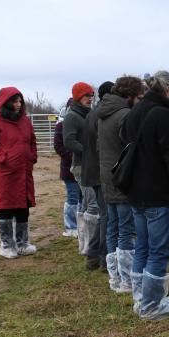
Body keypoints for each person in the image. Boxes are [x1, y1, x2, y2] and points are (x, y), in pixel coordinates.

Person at [122, 71, 169, 320]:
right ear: (168, 90)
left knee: (143, 247)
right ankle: (151, 306)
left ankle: (143, 298)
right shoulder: (162, 115)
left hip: (136, 193)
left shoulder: (134, 112)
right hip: (158, 194)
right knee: (159, 250)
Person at [98, 75, 145, 293]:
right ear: (130, 96)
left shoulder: (103, 114)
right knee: (126, 230)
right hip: (123, 177)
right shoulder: (125, 115)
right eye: (139, 97)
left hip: (107, 176)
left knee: (112, 227)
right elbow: (132, 147)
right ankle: (126, 280)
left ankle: (114, 278)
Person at [0, 87, 38, 259]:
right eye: (15, 101)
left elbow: (32, 141)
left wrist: (32, 156)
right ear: (6, 102)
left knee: (23, 207)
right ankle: (6, 245)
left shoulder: (25, 121)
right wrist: (3, 158)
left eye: (20, 101)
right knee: (6, 207)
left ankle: (22, 243)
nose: (18, 104)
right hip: (5, 173)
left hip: (24, 170)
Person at [63, 82, 102, 269]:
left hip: (89, 164)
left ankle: (85, 243)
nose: (90, 98)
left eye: (91, 95)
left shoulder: (87, 113)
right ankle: (91, 247)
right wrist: (89, 153)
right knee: (92, 203)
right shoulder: (72, 116)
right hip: (81, 165)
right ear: (78, 97)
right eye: (87, 95)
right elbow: (68, 141)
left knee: (87, 203)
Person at [81, 81, 114, 272]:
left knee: (104, 216)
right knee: (107, 216)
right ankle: (102, 257)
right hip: (100, 172)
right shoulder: (102, 115)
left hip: (93, 171)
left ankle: (93, 254)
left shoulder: (93, 113)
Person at [53, 98, 79, 237]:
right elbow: (58, 145)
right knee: (73, 197)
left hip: (83, 167)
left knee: (83, 198)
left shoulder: (83, 122)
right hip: (68, 168)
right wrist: (71, 156)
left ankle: (80, 226)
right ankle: (70, 226)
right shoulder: (61, 126)